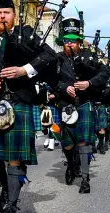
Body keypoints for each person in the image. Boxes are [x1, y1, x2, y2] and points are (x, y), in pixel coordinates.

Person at [0, 0, 57, 212]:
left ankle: (12, 205)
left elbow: (50, 56)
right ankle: (6, 184)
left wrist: (24, 70)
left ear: (14, 15)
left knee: (14, 158)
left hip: (19, 101)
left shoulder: (26, 35)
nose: (2, 16)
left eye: (6, 12)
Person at [55, 17, 109, 193]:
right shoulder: (57, 59)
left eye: (73, 41)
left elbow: (105, 73)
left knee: (84, 143)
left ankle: (85, 180)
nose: (69, 44)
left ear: (79, 41)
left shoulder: (90, 56)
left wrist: (89, 83)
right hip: (65, 105)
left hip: (84, 103)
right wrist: (64, 87)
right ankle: (71, 164)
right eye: (66, 40)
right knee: (67, 144)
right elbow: (51, 80)